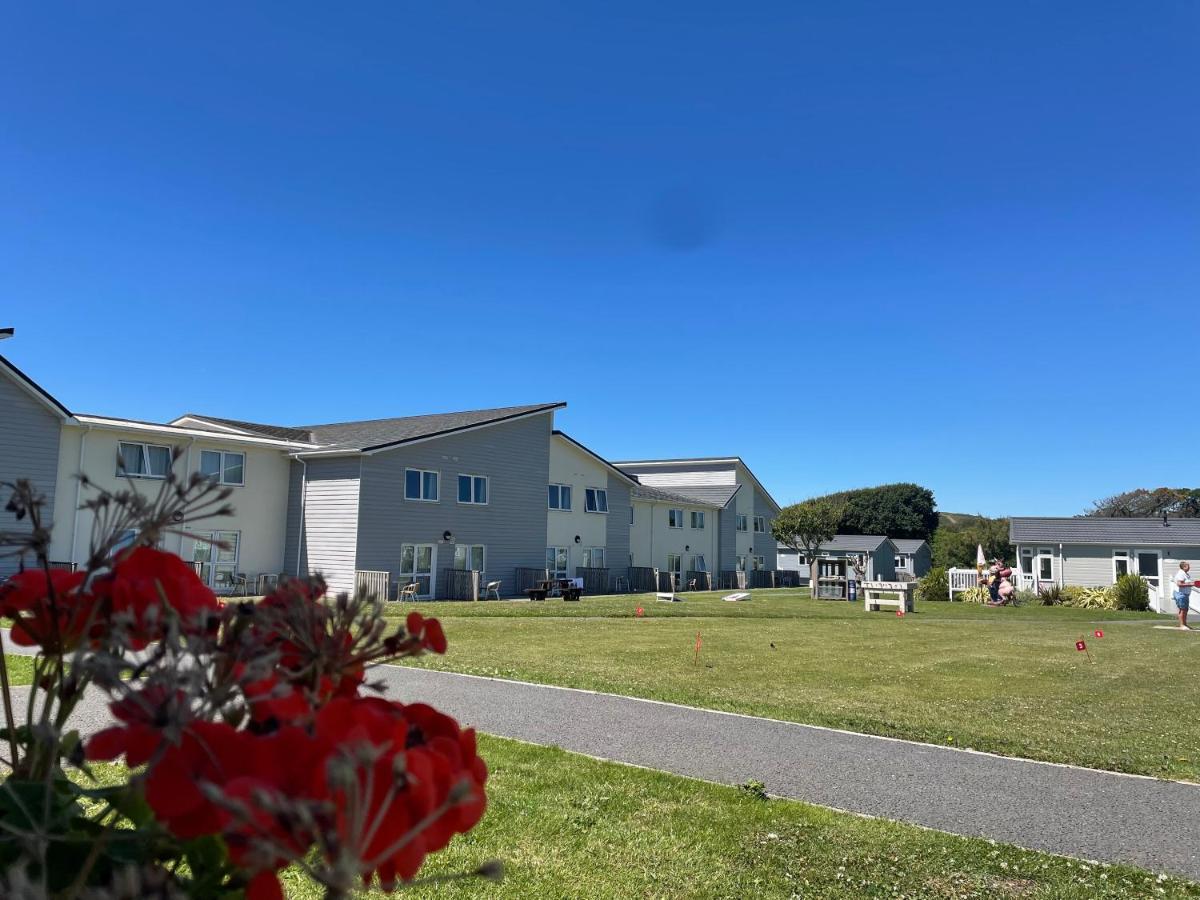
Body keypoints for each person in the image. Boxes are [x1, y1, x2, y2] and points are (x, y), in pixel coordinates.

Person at [1172, 561, 1194, 630]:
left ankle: (1185, 624)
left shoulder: (1185, 574)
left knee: (1185, 609)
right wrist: (1191, 584)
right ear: (1184, 567)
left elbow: (1186, 582)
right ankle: (1182, 625)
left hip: (1184, 594)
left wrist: (1194, 583)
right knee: (1183, 609)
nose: (1189, 567)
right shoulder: (1181, 573)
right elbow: (1179, 584)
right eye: (1188, 566)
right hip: (1181, 594)